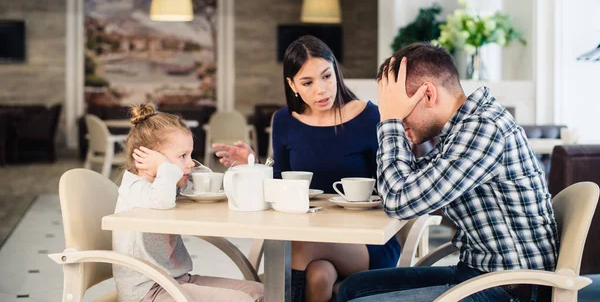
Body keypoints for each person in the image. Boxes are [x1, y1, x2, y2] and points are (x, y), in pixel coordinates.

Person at [337, 43, 558, 302]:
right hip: (478, 273)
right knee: (353, 288)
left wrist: (389, 122)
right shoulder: (462, 129)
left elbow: (399, 202)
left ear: (428, 95)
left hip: (512, 288)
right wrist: (396, 122)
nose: (399, 120)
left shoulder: (484, 128)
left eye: (398, 109)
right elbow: (410, 183)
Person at [212, 35, 401, 302]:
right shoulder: (284, 121)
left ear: (336, 71)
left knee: (298, 245)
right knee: (319, 275)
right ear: (292, 85)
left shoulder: (370, 117)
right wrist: (255, 165)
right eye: (307, 82)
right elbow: (280, 185)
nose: (321, 90)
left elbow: (390, 187)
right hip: (310, 234)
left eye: (326, 76)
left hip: (365, 241)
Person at [112, 104, 264, 302]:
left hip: (177, 280)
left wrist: (245, 169)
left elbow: (203, 188)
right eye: (183, 156)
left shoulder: (168, 183)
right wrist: (166, 167)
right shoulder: (134, 188)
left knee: (260, 293)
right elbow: (161, 201)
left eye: (190, 155)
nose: (191, 162)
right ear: (149, 157)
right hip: (147, 291)